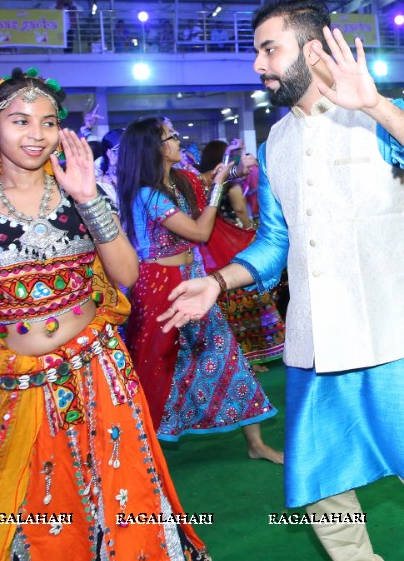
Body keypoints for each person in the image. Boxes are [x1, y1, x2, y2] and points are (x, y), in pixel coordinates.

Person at [158, 0, 404, 561]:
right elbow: (274, 242)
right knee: (319, 484)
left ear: (314, 48)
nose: (258, 64)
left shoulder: (376, 118)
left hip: (388, 332)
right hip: (313, 342)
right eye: (258, 51)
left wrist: (374, 104)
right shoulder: (275, 144)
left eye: (269, 48)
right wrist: (219, 281)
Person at [0, 68, 221, 561]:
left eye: (48, 122)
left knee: (119, 499)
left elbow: (128, 274)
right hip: (14, 388)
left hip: (98, 371)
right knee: (23, 511)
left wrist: (89, 199)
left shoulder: (85, 194)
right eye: (19, 121)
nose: (36, 134)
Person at [117, 118, 282, 462]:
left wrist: (233, 171)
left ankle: (256, 444)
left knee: (227, 355)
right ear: (157, 148)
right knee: (155, 369)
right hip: (160, 288)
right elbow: (199, 232)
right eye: (171, 137)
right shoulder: (148, 193)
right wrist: (220, 187)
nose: (178, 141)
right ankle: (136, 454)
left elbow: (207, 180)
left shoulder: (176, 180)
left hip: (191, 278)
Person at [196, 139, 286, 371]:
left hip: (209, 252)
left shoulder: (200, 184)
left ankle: (236, 354)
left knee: (225, 302)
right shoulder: (228, 186)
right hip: (232, 242)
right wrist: (248, 231)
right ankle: (254, 354)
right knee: (250, 298)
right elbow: (239, 210)